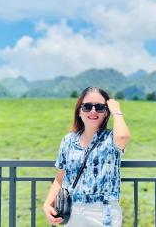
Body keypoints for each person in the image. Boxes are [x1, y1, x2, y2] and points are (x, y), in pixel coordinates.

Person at [43, 86, 130, 226]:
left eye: (100, 107)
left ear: (106, 113)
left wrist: (117, 111)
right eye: (87, 107)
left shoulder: (111, 138)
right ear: (79, 111)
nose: (93, 111)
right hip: (73, 212)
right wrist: (47, 204)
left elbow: (123, 136)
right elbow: (60, 177)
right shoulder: (68, 140)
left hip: (103, 212)